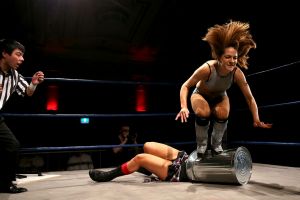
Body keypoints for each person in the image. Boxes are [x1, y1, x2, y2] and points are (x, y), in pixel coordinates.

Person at [175, 20, 272, 160]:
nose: (232, 61)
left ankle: (216, 145)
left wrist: (256, 119)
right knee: (204, 112)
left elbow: (250, 98)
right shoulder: (208, 68)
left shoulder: (237, 73)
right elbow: (185, 85)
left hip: (220, 95)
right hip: (201, 94)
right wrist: (183, 107)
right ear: (219, 57)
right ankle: (202, 145)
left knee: (223, 113)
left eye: (235, 58)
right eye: (227, 57)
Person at [0, 39, 45, 193]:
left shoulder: (15, 76)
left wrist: (33, 83)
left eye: (22, 55)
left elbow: (27, 92)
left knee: (12, 145)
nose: (22, 59)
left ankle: (5, 183)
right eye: (18, 54)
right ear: (5, 54)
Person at [89, 141, 189, 182]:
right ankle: (149, 169)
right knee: (147, 146)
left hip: (182, 171)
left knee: (139, 159)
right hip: (187, 158)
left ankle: (108, 175)